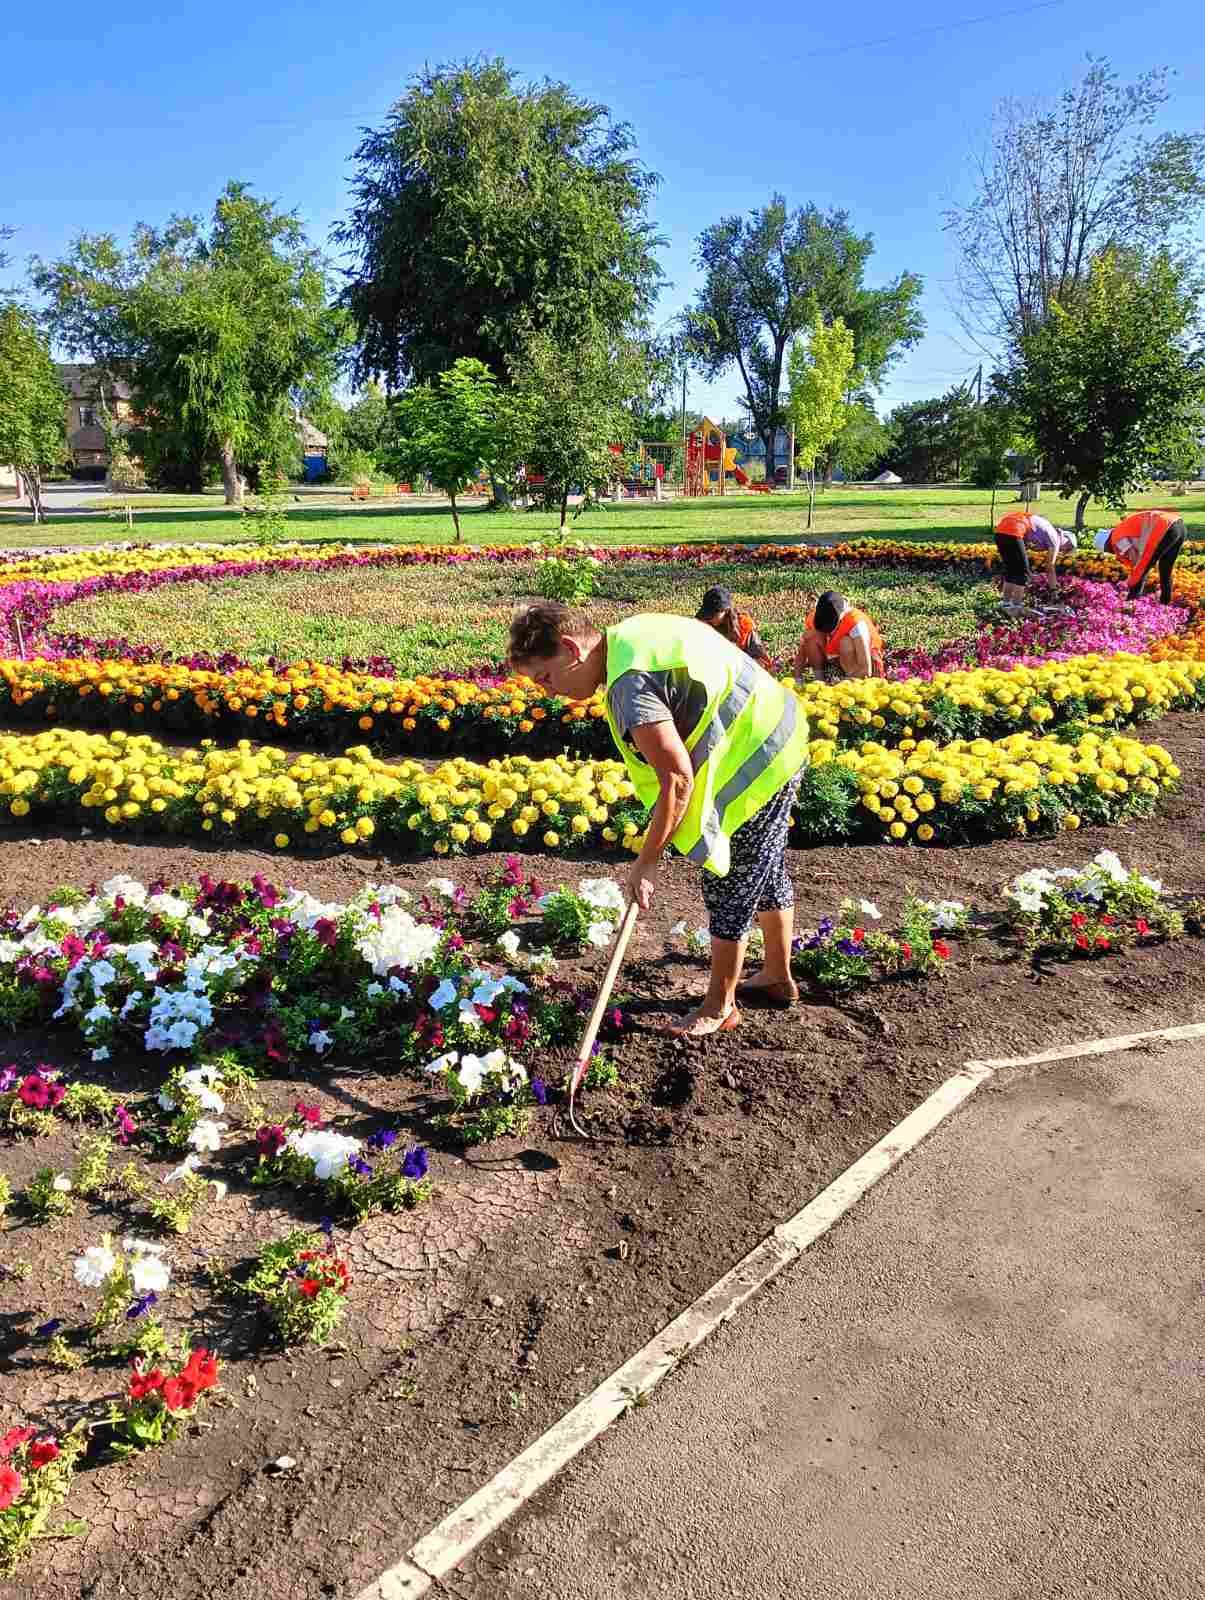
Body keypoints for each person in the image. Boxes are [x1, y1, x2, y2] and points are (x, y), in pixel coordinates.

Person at [508, 601, 810, 1037]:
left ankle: (719, 1006)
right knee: (764, 865)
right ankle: (778, 976)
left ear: (572, 648)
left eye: (546, 677)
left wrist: (647, 860)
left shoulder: (629, 686)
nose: (549, 692)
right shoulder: (631, 637)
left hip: (759, 753)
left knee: (730, 879)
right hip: (776, 728)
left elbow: (677, 778)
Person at [1094, 510, 1187, 604]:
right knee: (1165, 568)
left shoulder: (1116, 539)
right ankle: (1165, 602)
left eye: (1108, 550)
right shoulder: (1120, 530)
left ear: (1107, 545)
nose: (1112, 553)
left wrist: (1130, 586)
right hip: (1177, 524)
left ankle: (1133, 604)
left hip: (1164, 529)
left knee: (1141, 569)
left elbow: (1139, 564)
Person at [794, 591, 884, 681]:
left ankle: (852, 680)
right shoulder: (816, 615)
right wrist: (797, 680)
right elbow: (802, 650)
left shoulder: (856, 622)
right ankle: (819, 679)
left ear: (841, 615)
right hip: (836, 656)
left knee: (846, 643)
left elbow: (866, 670)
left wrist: (841, 684)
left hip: (862, 663)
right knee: (811, 636)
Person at [993, 510, 1077, 608]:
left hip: (1000, 531)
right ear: (1066, 542)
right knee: (1022, 573)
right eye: (1066, 549)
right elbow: (1050, 567)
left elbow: (1024, 545)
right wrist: (1054, 591)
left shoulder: (1047, 530)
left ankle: (1006, 603)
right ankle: (1016, 606)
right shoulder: (1055, 539)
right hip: (1015, 529)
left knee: (1012, 570)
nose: (1062, 551)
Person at [696, 585, 769, 661]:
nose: (709, 618)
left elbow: (758, 658)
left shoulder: (743, 626)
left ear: (726, 611)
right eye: (707, 613)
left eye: (713, 614)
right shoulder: (702, 621)